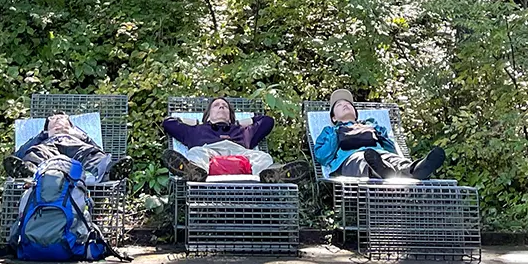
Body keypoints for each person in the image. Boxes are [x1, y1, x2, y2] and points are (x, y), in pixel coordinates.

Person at [162, 96, 306, 182]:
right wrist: (197, 122)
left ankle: (270, 176)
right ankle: (194, 172)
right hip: (209, 152)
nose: (221, 107)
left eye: (225, 106)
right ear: (208, 114)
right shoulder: (196, 130)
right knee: (196, 152)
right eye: (217, 105)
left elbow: (267, 121)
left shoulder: (243, 131)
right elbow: (168, 122)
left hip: (240, 154)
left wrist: (239, 123)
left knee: (263, 157)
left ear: (231, 116)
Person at [313, 89, 446, 181]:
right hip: (349, 159)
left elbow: (391, 149)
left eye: (348, 104)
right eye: (339, 105)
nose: (345, 105)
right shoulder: (329, 132)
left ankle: (416, 169)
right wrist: (335, 135)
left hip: (379, 153)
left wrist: (377, 132)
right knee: (363, 161)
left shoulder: (370, 124)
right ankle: (380, 171)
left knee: (394, 159)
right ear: (334, 117)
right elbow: (322, 157)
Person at [5, 112, 122, 184]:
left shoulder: (80, 136)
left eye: (62, 118)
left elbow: (98, 149)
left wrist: (81, 136)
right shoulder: (42, 138)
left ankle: (109, 172)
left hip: (75, 145)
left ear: (71, 125)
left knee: (93, 154)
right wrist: (44, 135)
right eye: (53, 119)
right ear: (46, 127)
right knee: (36, 153)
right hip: (50, 146)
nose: (57, 120)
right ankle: (29, 173)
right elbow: (19, 155)